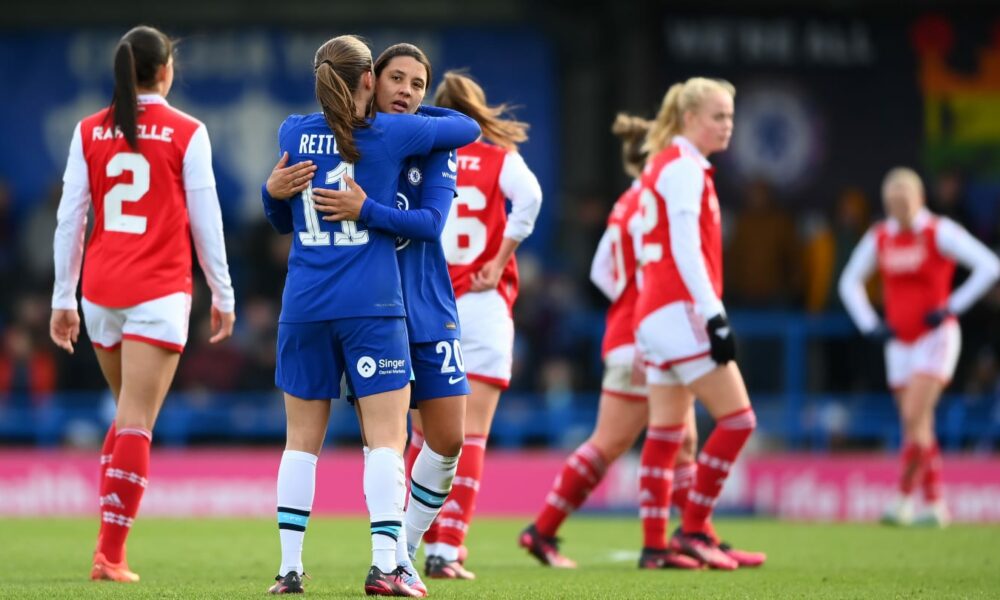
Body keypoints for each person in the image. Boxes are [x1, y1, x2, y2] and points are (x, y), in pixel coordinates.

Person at [259, 35, 479, 596]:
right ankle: (393, 560)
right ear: (369, 81)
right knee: (387, 438)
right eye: (396, 79)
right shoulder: (388, 136)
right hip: (374, 307)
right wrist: (275, 194)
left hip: (406, 305)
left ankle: (296, 567)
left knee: (445, 438)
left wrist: (359, 207)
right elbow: (465, 125)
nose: (406, 91)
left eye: (418, 85)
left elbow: (431, 223)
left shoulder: (297, 131)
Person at [49, 25, 236, 582]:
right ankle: (110, 554)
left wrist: (64, 298)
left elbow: (69, 220)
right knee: (136, 420)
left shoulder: (88, 131)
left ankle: (108, 540)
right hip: (158, 292)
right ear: (166, 70)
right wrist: (222, 292)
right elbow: (208, 221)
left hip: (102, 293)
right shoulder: (188, 131)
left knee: (128, 414)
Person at [518, 114, 698, 570]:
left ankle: (692, 534)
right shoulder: (655, 202)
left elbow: (602, 272)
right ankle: (552, 529)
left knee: (680, 439)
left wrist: (628, 302)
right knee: (628, 441)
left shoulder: (626, 204)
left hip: (634, 330)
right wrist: (644, 314)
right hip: (647, 335)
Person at [408, 71, 542, 580]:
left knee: (422, 437)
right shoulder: (498, 158)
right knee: (474, 435)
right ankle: (449, 550)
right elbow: (530, 200)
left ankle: (409, 544)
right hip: (482, 305)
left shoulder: (419, 159)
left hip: (427, 302)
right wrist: (502, 255)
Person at [631, 77, 761, 570]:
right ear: (689, 119)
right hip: (679, 308)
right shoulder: (684, 168)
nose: (727, 125)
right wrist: (714, 315)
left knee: (666, 434)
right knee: (739, 419)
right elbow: (686, 248)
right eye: (718, 116)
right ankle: (692, 528)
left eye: (730, 116)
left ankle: (655, 545)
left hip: (655, 311)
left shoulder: (665, 165)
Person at [839, 167, 1000, 527]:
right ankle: (936, 502)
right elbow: (848, 282)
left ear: (920, 199)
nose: (898, 208)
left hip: (936, 338)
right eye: (891, 202)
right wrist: (870, 325)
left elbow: (990, 265)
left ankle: (901, 499)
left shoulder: (938, 231)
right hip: (898, 342)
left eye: (904, 201)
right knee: (917, 423)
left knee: (913, 414)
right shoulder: (880, 236)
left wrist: (951, 307)